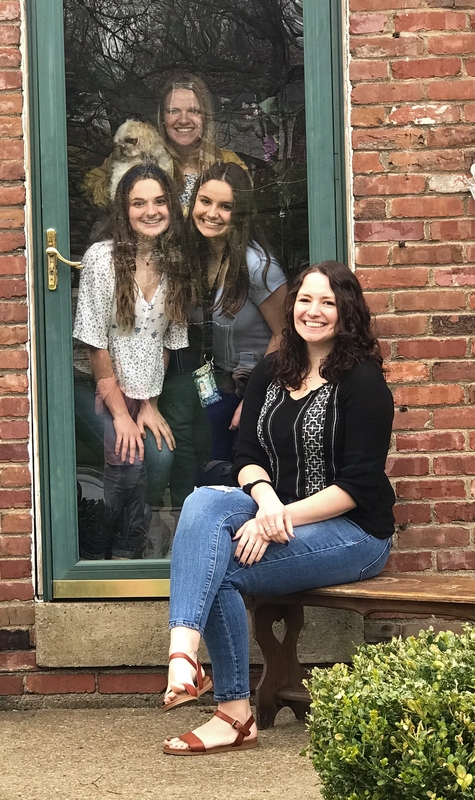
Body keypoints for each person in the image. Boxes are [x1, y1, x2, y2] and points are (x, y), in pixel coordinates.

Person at [161, 260, 395, 755]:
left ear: (347, 312)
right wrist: (266, 503)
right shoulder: (272, 369)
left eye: (328, 302)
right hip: (277, 511)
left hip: (353, 531)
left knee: (223, 570)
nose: (314, 311)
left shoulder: (364, 383)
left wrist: (276, 521)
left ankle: (233, 715)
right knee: (203, 499)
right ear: (292, 308)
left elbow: (357, 485)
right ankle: (182, 654)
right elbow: (245, 456)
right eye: (305, 300)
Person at [73, 164, 188, 560]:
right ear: (123, 210)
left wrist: (150, 405)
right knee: (126, 457)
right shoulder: (101, 259)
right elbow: (94, 343)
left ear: (171, 207)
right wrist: (122, 413)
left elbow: (166, 340)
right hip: (97, 388)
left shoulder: (174, 261)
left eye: (159, 201)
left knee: (160, 455)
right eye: (138, 203)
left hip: (145, 391)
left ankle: (134, 542)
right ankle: (108, 554)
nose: (150, 211)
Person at [172, 161, 287, 481]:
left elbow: (286, 334)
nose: (212, 213)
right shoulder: (195, 256)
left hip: (253, 390)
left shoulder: (258, 266)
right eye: (205, 201)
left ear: (241, 213)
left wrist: (253, 402)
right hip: (214, 385)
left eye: (226, 207)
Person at [83, 73, 245, 212]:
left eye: (194, 111)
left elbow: (242, 210)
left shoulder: (226, 161)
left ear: (205, 116)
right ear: (163, 118)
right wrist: (127, 191)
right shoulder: (135, 150)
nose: (183, 120)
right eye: (174, 111)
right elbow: (91, 186)